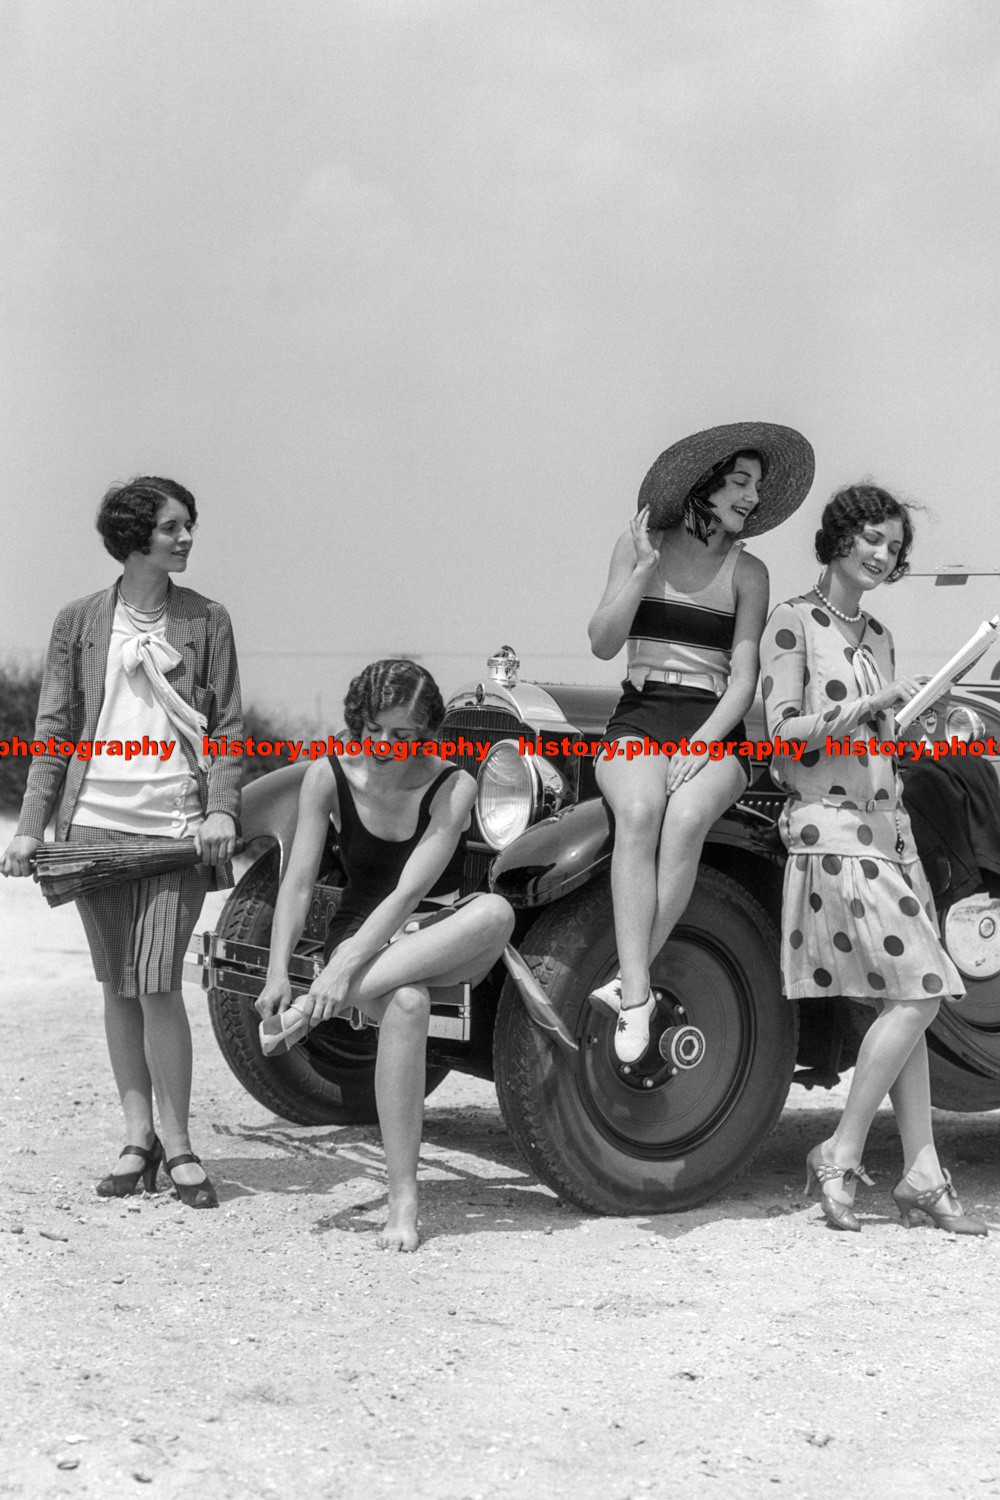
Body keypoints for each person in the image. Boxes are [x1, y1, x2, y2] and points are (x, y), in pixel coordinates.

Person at [1, 477, 242, 1209]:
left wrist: (222, 809)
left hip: (176, 830)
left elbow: (227, 728)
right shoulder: (78, 621)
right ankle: (136, 1139)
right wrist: (30, 829)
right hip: (93, 827)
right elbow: (53, 736)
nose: (187, 538)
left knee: (161, 982)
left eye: (189, 525)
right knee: (118, 985)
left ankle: (180, 1145)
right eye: (173, 527)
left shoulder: (208, 620)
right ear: (137, 536)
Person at [760, 484, 986, 1234]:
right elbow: (784, 735)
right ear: (838, 538)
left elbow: (875, 749)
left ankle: (921, 1173)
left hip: (887, 833)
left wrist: (905, 722)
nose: (884, 554)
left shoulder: (881, 634)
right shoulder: (792, 622)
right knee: (921, 990)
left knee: (910, 996)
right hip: (828, 827)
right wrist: (872, 703)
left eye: (894, 545)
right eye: (872, 538)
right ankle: (840, 1147)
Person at [254, 659, 514, 1253]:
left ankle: (316, 1010)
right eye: (374, 730)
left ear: (427, 734)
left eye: (404, 737)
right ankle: (404, 1198)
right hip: (358, 938)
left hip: (437, 930)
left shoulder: (455, 785)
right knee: (405, 1002)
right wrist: (277, 971)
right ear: (358, 720)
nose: (385, 746)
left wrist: (341, 970)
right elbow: (296, 883)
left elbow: (409, 894)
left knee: (497, 914)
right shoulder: (327, 773)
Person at [587, 422, 815, 1064]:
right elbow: (603, 642)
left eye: (757, 485)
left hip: (714, 722)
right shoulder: (639, 547)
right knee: (637, 813)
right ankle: (636, 997)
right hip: (639, 714)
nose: (751, 496)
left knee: (685, 818)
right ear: (702, 485)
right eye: (740, 482)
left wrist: (702, 744)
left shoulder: (752, 572)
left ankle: (626, 986)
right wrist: (643, 572)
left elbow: (745, 682)